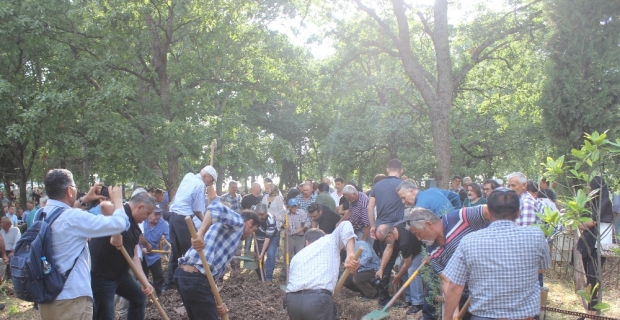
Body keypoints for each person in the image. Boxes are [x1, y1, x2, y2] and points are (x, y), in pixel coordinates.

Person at [442, 188, 550, 320]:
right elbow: (542, 268)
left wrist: (447, 318)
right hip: (524, 316)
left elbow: (454, 286)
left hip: (484, 316)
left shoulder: (470, 241)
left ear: (489, 213)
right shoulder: (536, 236)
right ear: (518, 213)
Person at [38, 169, 129, 320]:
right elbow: (119, 224)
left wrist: (84, 199)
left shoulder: (41, 215)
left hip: (47, 295)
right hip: (71, 298)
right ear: (69, 190)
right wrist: (118, 201)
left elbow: (63, 217)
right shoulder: (73, 218)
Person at [406, 205, 492, 320]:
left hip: (490, 287)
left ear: (428, 225)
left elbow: (489, 210)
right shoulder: (431, 250)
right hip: (465, 295)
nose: (419, 239)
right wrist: (455, 312)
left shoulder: (460, 217)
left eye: (418, 233)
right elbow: (447, 281)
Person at [176, 204, 259, 319]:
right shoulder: (239, 222)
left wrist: (215, 303)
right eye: (253, 230)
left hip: (184, 276)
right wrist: (200, 233)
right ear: (249, 222)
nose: (250, 235)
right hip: (195, 278)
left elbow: (209, 276)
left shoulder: (230, 232)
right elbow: (215, 208)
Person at [90, 192, 155, 320]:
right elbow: (103, 205)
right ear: (140, 207)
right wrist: (116, 233)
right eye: (147, 213)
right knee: (105, 316)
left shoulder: (136, 227)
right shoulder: (121, 212)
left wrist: (144, 282)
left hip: (121, 276)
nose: (147, 218)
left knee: (139, 298)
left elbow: (134, 255)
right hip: (102, 277)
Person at [284, 221, 360, 320]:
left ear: (306, 242)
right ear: (323, 237)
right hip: (317, 301)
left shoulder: (297, 257)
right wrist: (350, 253)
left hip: (292, 302)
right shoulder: (329, 240)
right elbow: (345, 224)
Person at [164, 165, 216, 292]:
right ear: (205, 176)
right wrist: (207, 223)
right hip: (183, 220)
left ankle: (169, 286)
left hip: (173, 217)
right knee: (192, 252)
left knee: (175, 253)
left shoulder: (188, 176)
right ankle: (190, 284)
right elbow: (198, 210)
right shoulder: (200, 185)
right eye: (211, 180)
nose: (211, 183)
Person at [577, 176, 614, 317]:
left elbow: (592, 221)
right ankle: (589, 312)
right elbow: (583, 218)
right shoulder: (592, 201)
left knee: (593, 277)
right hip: (589, 244)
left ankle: (591, 313)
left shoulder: (605, 202)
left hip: (598, 245)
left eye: (591, 187)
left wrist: (583, 224)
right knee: (589, 278)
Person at [375, 223, 423, 310]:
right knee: (402, 269)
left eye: (383, 241)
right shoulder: (394, 230)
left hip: (423, 250)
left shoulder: (404, 241)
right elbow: (388, 249)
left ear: (389, 235)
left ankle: (418, 303)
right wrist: (381, 269)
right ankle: (409, 300)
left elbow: (408, 264)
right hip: (412, 250)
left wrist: (398, 276)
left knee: (411, 270)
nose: (384, 243)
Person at [368, 159, 405, 243]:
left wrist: (373, 226)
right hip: (399, 227)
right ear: (401, 170)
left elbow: (370, 207)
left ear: (387, 169)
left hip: (381, 229)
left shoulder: (377, 186)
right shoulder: (403, 185)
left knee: (383, 254)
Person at [141, 204, 170, 296]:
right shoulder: (141, 221)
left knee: (159, 278)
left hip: (154, 255)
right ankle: (143, 300)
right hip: (140, 255)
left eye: (159, 214)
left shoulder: (163, 224)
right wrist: (141, 249)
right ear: (149, 213)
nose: (157, 216)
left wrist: (172, 246)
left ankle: (161, 299)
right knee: (141, 278)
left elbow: (170, 238)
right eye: (155, 214)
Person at [281, 199, 311, 279]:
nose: (294, 208)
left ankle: (300, 273)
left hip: (300, 237)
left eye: (295, 206)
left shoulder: (302, 212)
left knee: (300, 255)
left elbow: (308, 222)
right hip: (290, 237)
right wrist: (284, 226)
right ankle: (285, 273)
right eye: (292, 206)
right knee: (287, 255)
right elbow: (280, 224)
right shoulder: (286, 214)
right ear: (289, 207)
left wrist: (302, 228)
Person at [254, 203, 279, 282]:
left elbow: (267, 239)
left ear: (266, 212)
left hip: (271, 238)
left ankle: (268, 278)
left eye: (262, 215)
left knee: (270, 255)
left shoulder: (270, 221)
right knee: (256, 257)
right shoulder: (253, 215)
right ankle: (261, 277)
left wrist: (262, 253)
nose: (260, 217)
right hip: (258, 237)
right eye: (259, 215)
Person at [241, 182, 263, 252]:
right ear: (254, 188)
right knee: (248, 244)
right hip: (249, 225)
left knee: (259, 245)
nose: (260, 189)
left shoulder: (262, 199)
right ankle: (246, 260)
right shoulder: (246, 198)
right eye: (259, 187)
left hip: (259, 226)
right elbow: (242, 211)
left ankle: (258, 261)